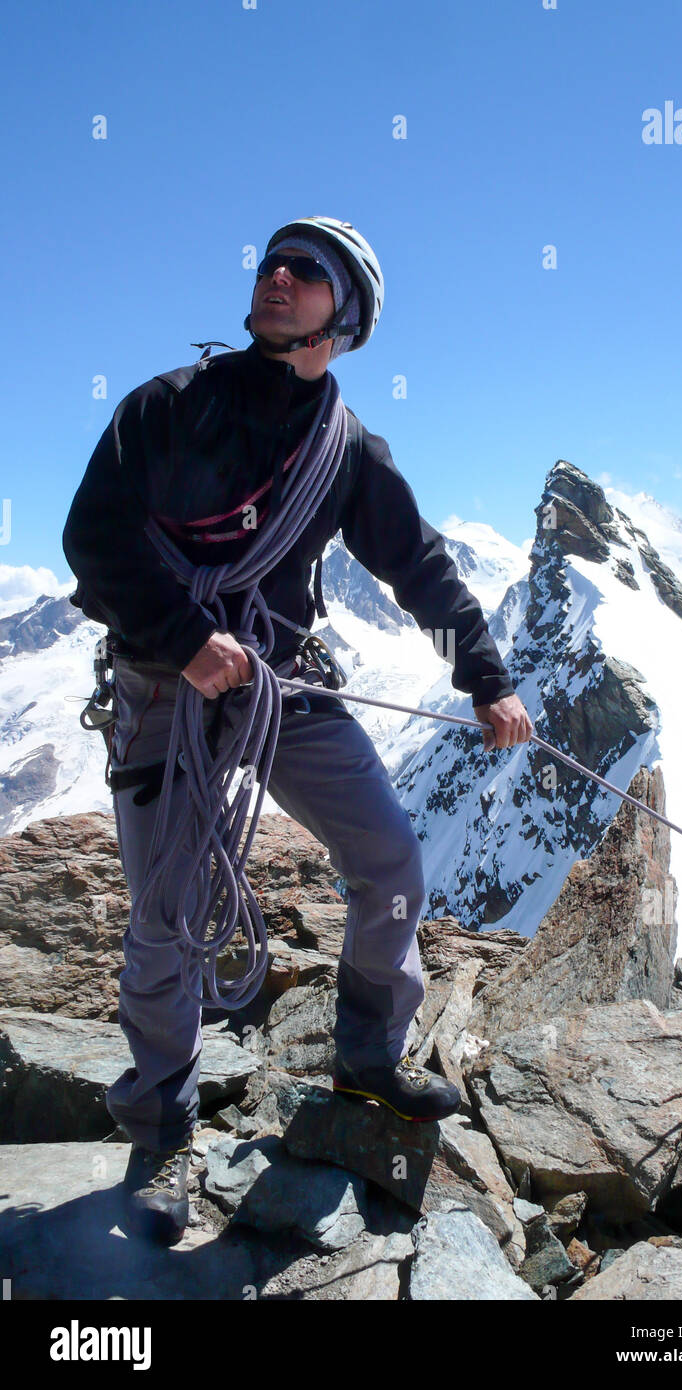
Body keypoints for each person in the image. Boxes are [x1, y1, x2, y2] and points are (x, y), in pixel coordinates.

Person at [62, 216, 533, 1245]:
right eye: (273, 262)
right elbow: (92, 539)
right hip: (166, 685)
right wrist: (186, 638)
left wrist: (487, 681)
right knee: (166, 916)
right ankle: (160, 1130)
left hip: (282, 686)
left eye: (305, 270)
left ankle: (368, 1056)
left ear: (345, 315)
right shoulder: (171, 407)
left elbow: (421, 567)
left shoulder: (347, 451)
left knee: (393, 863)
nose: (277, 275)